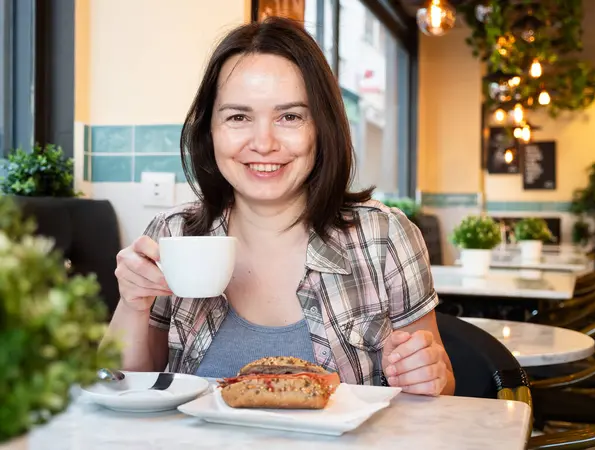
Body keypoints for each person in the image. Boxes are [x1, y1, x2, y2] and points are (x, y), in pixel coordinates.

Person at [104, 16, 455, 396]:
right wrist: (132, 303)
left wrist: (430, 374)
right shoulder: (172, 235)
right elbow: (122, 388)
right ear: (210, 130)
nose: (264, 142)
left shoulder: (384, 236)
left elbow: (438, 389)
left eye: (289, 116)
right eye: (238, 117)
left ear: (321, 127)